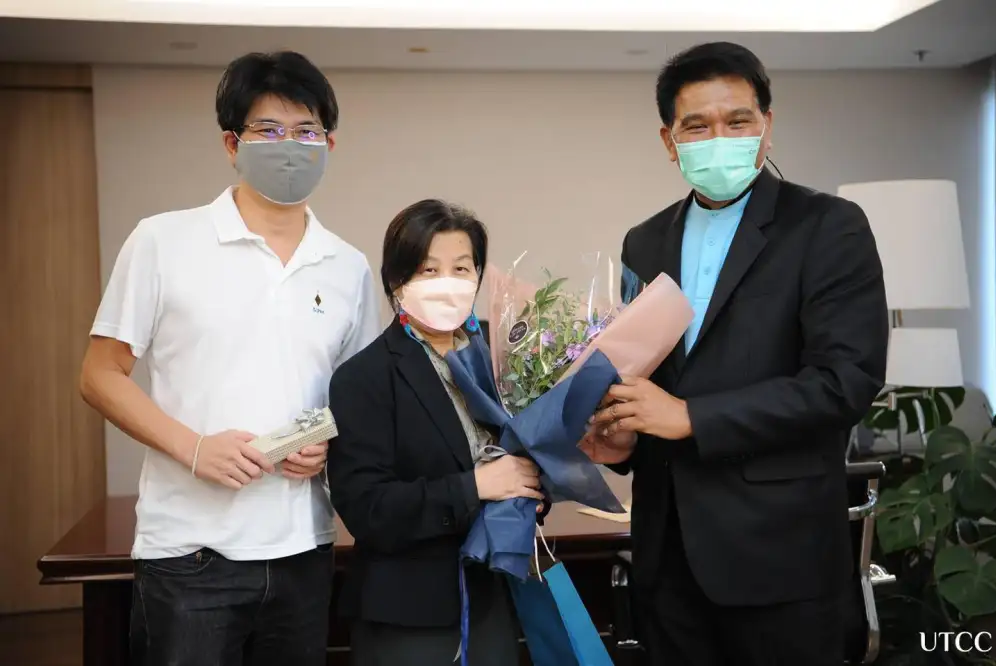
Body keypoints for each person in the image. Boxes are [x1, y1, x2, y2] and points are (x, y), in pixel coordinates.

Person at [585, 42, 889, 666]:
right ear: (670, 141)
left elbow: (845, 381)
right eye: (697, 126)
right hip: (667, 558)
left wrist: (692, 416)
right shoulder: (644, 242)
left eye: (738, 120)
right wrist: (622, 441)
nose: (718, 138)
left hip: (780, 559)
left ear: (766, 127)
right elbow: (645, 374)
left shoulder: (828, 226)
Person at [79, 51, 380, 666]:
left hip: (303, 548)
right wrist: (194, 448)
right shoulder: (163, 241)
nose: (289, 146)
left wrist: (324, 442)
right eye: (268, 130)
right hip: (189, 552)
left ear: (330, 144)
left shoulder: (347, 266)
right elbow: (100, 374)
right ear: (231, 144)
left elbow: (353, 396)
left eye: (306, 132)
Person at [327, 199, 540, 666]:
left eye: (461, 268)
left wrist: (538, 480)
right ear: (396, 280)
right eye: (428, 270)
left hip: (493, 596)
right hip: (410, 613)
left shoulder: (503, 358)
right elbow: (368, 508)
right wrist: (475, 486)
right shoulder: (364, 377)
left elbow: (531, 451)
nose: (447, 282)